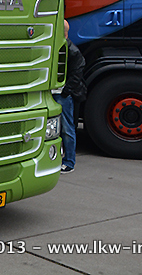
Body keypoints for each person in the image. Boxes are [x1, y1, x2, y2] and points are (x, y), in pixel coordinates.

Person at [55, 20, 86, 173]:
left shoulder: (71, 51)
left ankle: (69, 161)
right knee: (65, 127)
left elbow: (76, 74)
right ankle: (66, 160)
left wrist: (65, 92)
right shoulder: (69, 49)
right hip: (61, 93)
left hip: (62, 94)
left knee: (67, 128)